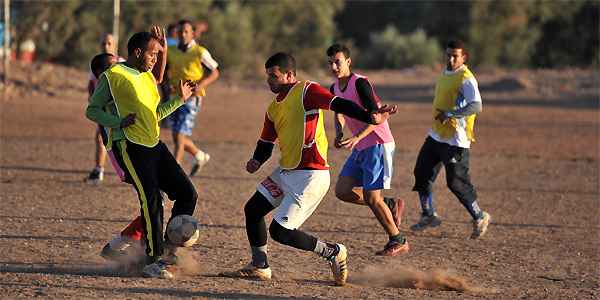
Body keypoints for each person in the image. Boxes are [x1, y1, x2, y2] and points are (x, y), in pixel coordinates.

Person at [221, 52, 398, 286]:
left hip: (311, 176)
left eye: (274, 76)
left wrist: (370, 116)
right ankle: (260, 265)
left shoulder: (307, 91)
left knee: (280, 232)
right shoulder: (273, 108)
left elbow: (339, 104)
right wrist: (257, 160)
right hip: (286, 172)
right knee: (253, 210)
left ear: (290, 75)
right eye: (268, 76)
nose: (269, 81)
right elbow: (266, 142)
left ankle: (333, 252)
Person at [86, 27, 198, 279]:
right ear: (137, 52)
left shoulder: (147, 78)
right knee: (152, 200)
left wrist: (180, 99)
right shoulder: (113, 75)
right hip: (129, 145)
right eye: (153, 54)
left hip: (154, 144)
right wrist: (117, 122)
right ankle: (154, 258)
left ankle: (169, 250)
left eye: (158, 55)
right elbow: (92, 110)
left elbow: (154, 115)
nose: (155, 59)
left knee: (187, 193)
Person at [326, 44, 408, 256]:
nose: (334, 66)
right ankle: (389, 204)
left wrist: (356, 137)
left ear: (348, 62)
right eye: (330, 63)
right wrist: (338, 134)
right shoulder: (334, 88)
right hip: (360, 145)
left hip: (377, 143)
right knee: (342, 191)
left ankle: (398, 240)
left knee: (372, 198)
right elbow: (338, 113)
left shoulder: (360, 83)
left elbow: (377, 118)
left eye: (338, 61)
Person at [410, 40, 491, 239]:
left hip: (456, 141)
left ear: (464, 58)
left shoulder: (466, 78)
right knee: (421, 172)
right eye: (448, 55)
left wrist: (450, 114)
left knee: (456, 182)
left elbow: (476, 106)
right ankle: (429, 214)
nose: (451, 59)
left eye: (456, 56)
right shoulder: (446, 73)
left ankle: (479, 216)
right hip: (436, 135)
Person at [166, 19, 220, 176]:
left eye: (186, 32)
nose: (183, 35)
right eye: (180, 32)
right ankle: (199, 155)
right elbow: (164, 72)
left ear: (192, 34)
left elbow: (215, 72)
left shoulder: (200, 52)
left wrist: (201, 86)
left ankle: (174, 174)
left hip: (191, 99)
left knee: (179, 135)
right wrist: (166, 86)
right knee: (177, 135)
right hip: (175, 97)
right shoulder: (171, 51)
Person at [85, 33, 125, 184]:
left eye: (109, 43)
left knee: (111, 138)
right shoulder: (99, 62)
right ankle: (99, 170)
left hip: (117, 110)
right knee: (101, 137)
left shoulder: (121, 63)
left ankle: (115, 170)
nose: (106, 46)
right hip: (103, 108)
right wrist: (92, 98)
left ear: (115, 45)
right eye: (103, 43)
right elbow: (91, 82)